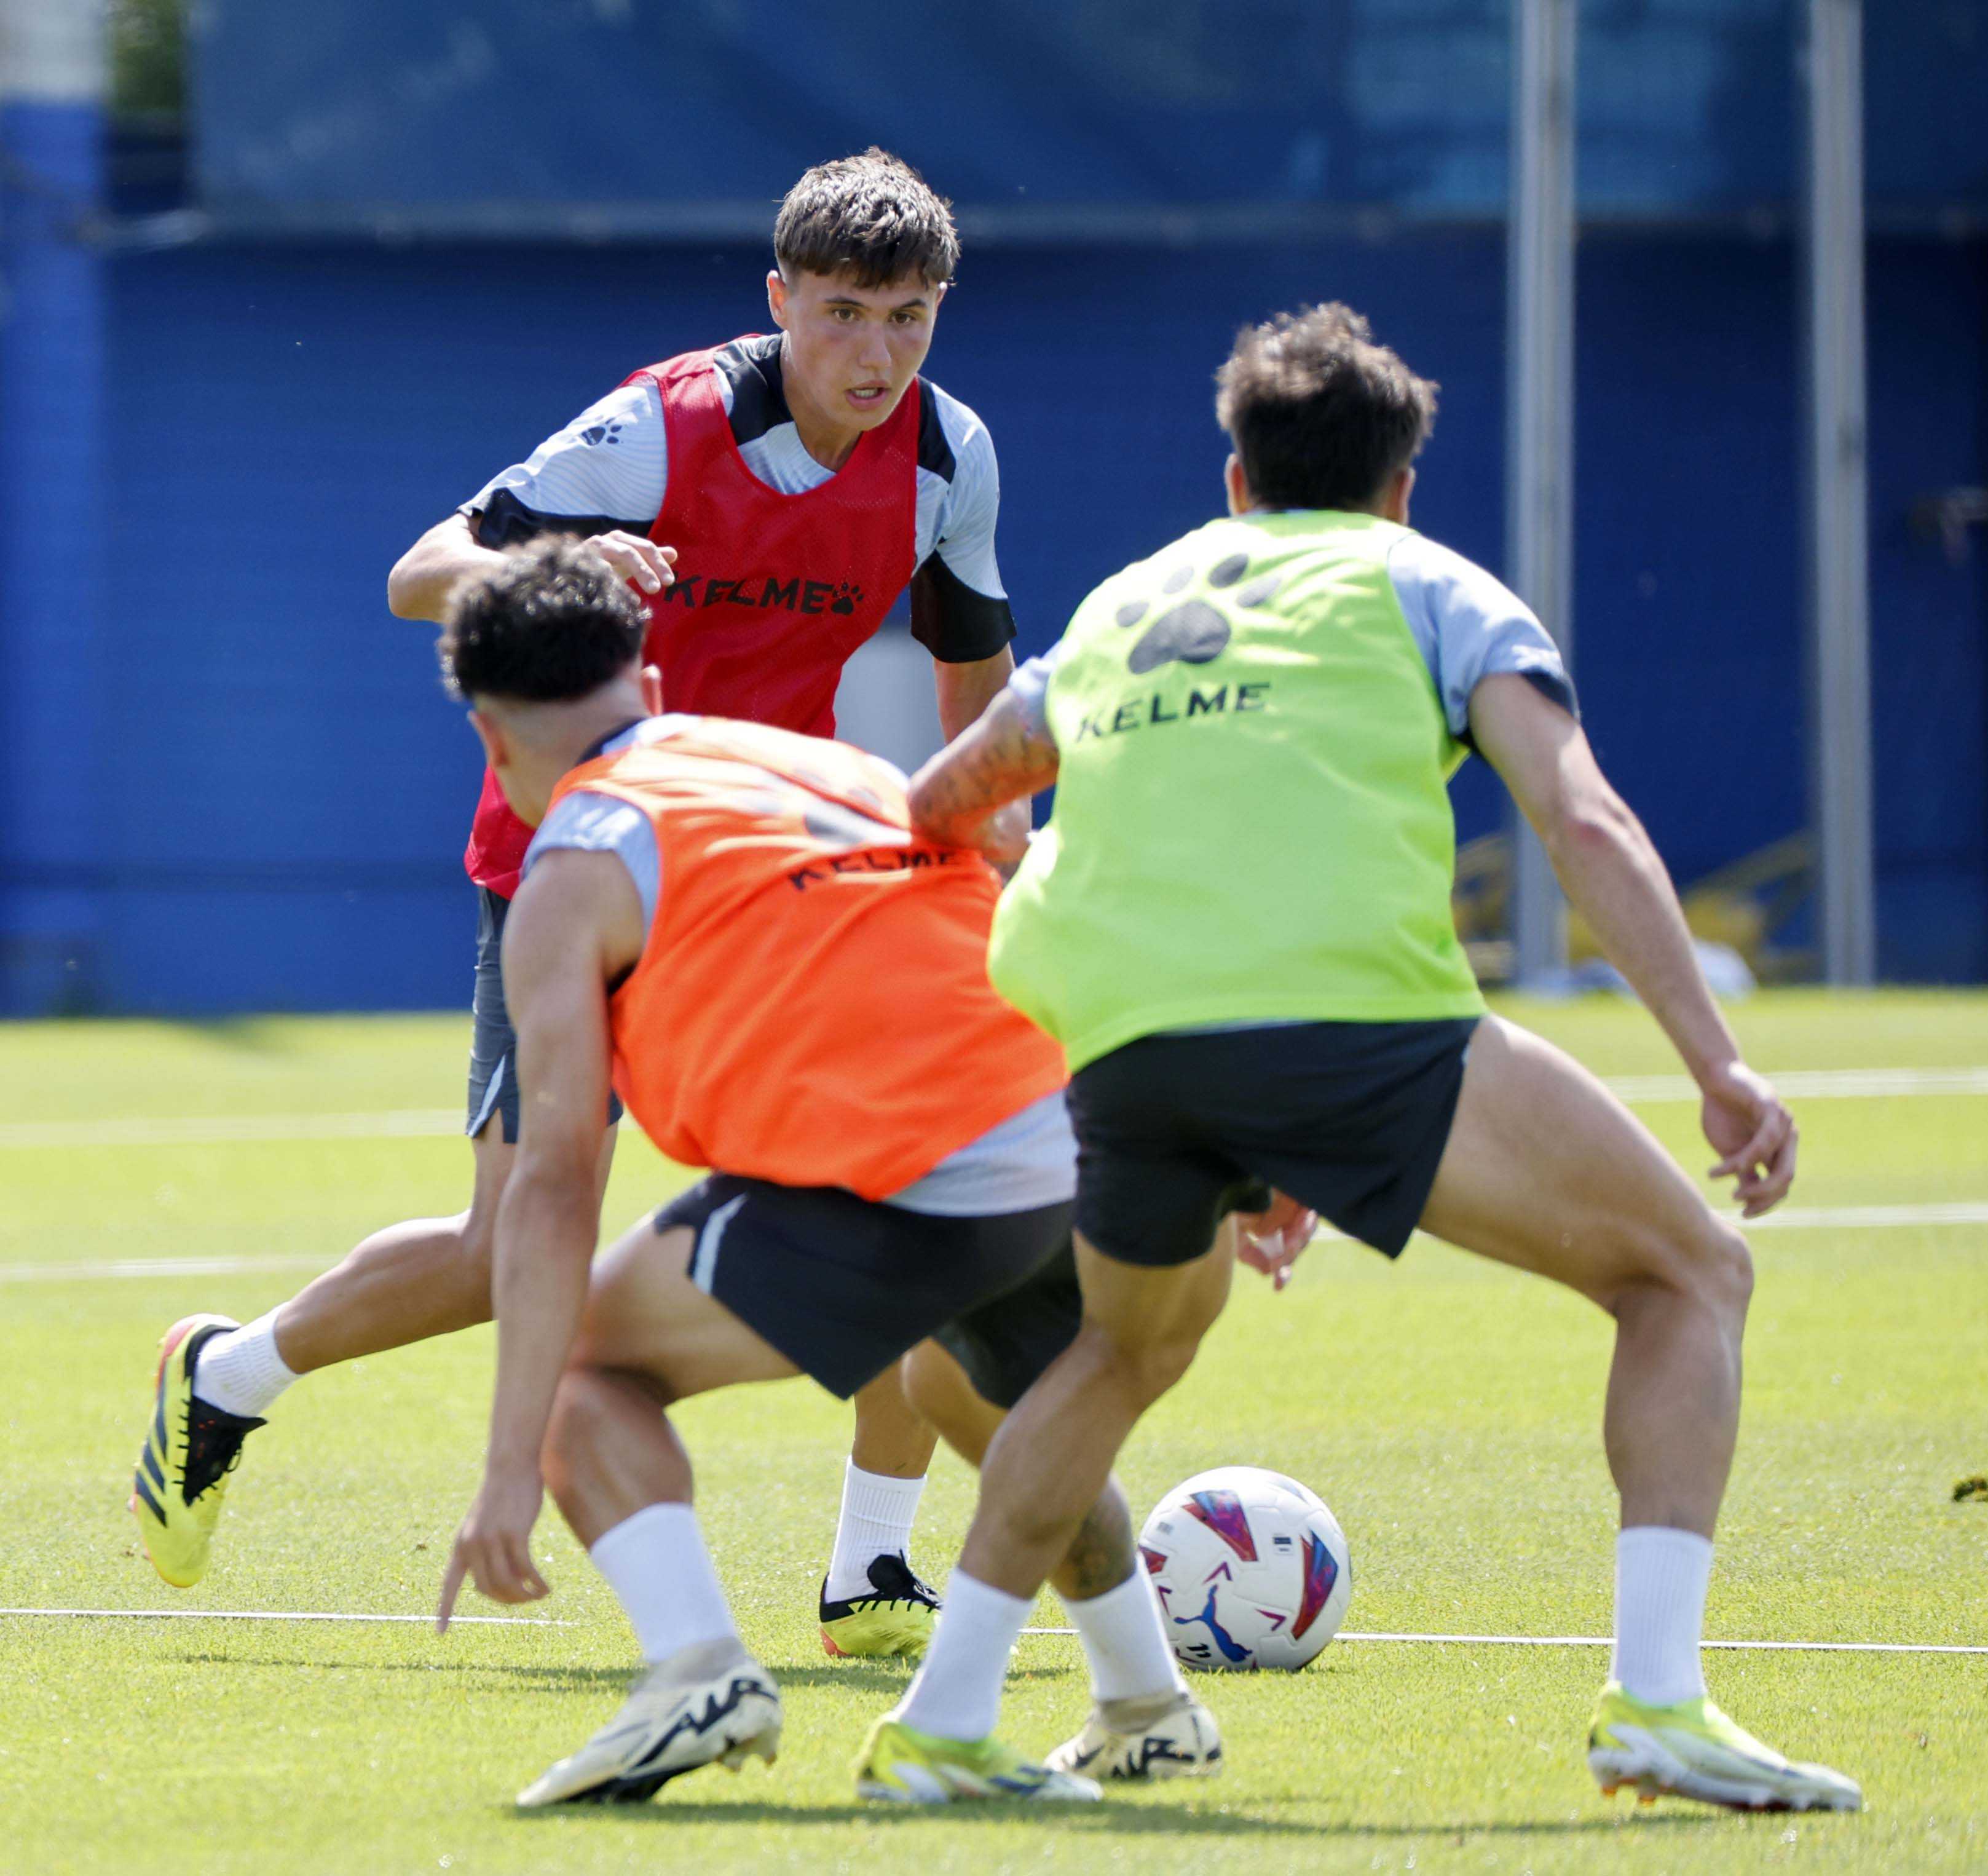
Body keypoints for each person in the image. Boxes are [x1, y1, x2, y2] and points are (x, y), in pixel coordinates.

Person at [861, 304, 1863, 1815]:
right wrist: (1718, 1064)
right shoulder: (1435, 586)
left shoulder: (1131, 601)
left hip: (1120, 1043)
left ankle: (946, 1720)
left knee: (1118, 1356)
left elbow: (950, 803)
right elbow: (1581, 818)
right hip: (1359, 1032)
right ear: (1401, 487)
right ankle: (1657, 1702)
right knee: (1689, 1274)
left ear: (1235, 479)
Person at [129, 151, 1019, 1654]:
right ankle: (227, 1378)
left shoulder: (948, 457)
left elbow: (977, 694)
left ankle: (872, 1564)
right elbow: (419, 572)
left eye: (909, 318)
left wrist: (997, 871)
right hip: (583, 861)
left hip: (770, 872)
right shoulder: (658, 427)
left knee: (909, 1179)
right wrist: (560, 556)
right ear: (780, 299)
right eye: (844, 313)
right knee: (508, 1249)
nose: (875, 354)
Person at [426, 540, 1218, 1804]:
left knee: (588, 1367)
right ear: (651, 682)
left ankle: (696, 1668)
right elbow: (1001, 872)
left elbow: (558, 1180)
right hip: (1074, 1132)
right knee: (987, 1400)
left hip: (920, 1163)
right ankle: (1145, 1702)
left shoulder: (569, 873)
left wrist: (511, 1462)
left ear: (488, 736)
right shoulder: (823, 762)